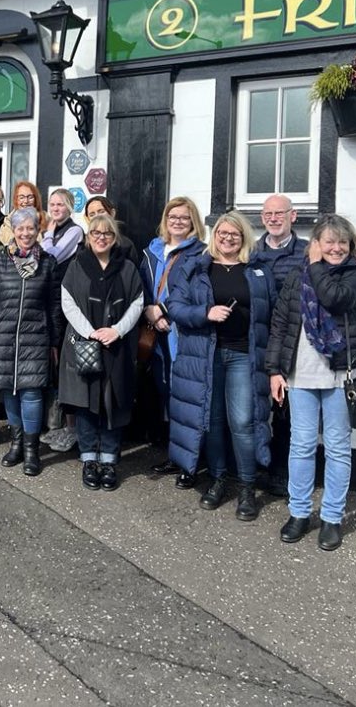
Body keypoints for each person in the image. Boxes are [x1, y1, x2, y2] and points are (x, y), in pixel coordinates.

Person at [267, 215, 356, 551]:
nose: (336, 247)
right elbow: (281, 324)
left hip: (340, 374)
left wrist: (315, 264)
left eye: (342, 241)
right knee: (300, 446)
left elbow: (334, 298)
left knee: (337, 448)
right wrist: (275, 370)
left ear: (351, 244)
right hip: (300, 374)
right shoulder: (298, 276)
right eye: (329, 241)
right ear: (317, 242)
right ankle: (299, 512)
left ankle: (331, 517)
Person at [167, 211, 275, 521]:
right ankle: (217, 479)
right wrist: (205, 313)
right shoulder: (196, 267)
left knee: (242, 422)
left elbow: (271, 312)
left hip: (243, 356)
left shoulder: (257, 270)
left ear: (244, 238)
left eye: (234, 235)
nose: (227, 239)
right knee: (211, 421)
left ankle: (246, 487)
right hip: (206, 356)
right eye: (222, 234)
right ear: (214, 236)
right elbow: (175, 306)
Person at [59, 214, 143, 491]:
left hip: (116, 346)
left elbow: (137, 302)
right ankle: (88, 460)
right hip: (84, 343)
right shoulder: (77, 265)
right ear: (88, 236)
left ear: (114, 237)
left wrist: (116, 330)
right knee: (85, 404)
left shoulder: (127, 268)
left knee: (112, 402)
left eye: (107, 233)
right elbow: (68, 301)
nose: (101, 237)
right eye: (96, 232)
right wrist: (90, 331)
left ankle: (108, 460)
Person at [0, 206, 60, 476]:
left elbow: (54, 304)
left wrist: (53, 337)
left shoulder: (48, 262)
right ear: (13, 231)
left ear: (38, 230)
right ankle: (16, 445)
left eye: (30, 228)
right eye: (20, 228)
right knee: (9, 392)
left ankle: (31, 450)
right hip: (4, 336)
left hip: (35, 337)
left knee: (32, 393)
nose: (25, 233)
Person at [140, 196, 206, 481]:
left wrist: (165, 311)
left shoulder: (201, 253)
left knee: (186, 397)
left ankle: (191, 463)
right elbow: (141, 288)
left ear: (193, 221)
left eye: (184, 217)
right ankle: (174, 456)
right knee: (166, 393)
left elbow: (196, 294)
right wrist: (149, 312)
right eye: (172, 216)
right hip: (155, 332)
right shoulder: (151, 251)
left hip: (183, 332)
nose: (177, 222)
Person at [251, 194, 308, 496]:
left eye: (279, 213)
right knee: (254, 406)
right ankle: (255, 465)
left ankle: (280, 472)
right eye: (268, 214)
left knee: (284, 411)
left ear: (293, 216)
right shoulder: (252, 251)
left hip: (290, 347)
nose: (273, 219)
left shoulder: (307, 252)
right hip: (255, 342)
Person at [40, 188, 85, 451]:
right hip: (51, 301)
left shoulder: (74, 231)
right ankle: (57, 424)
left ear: (69, 207)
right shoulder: (54, 230)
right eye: (52, 204)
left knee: (64, 364)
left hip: (65, 303)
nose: (56, 208)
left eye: (60, 204)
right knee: (53, 363)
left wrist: (46, 232)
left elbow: (50, 256)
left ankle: (72, 428)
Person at [84, 196, 139, 266]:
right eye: (92, 214)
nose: (97, 217)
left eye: (101, 212)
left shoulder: (126, 245)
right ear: (87, 219)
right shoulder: (83, 245)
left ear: (112, 213)